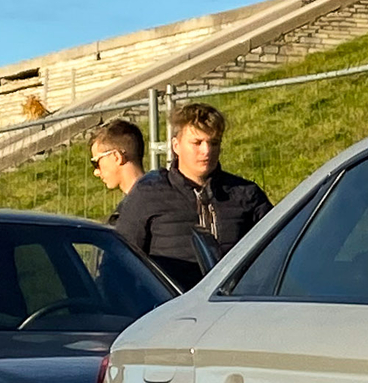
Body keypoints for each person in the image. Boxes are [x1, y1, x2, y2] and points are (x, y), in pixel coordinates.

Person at [112, 101, 273, 285]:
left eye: (214, 143)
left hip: (234, 305)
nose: (206, 151)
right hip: (170, 307)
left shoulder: (246, 195)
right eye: (197, 143)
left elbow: (277, 252)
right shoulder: (147, 195)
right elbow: (120, 262)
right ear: (176, 145)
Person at [87, 118, 147, 218]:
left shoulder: (130, 215)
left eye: (96, 162)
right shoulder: (166, 195)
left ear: (117, 157)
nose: (96, 172)